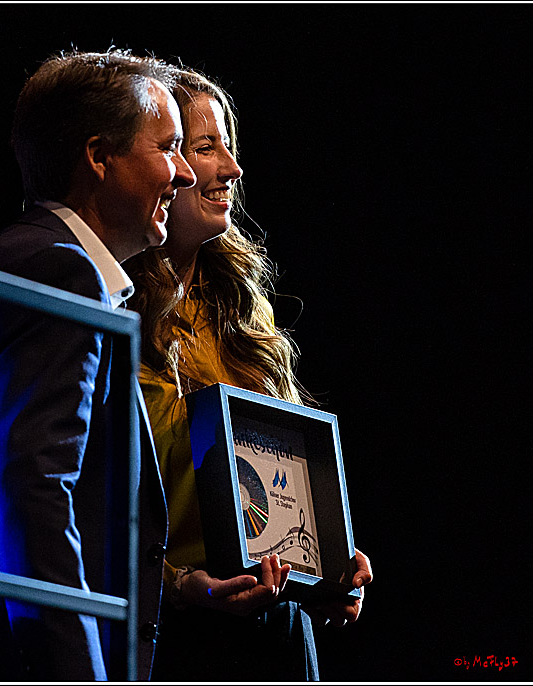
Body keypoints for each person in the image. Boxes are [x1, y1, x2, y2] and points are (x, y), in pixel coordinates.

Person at [0, 49, 195, 681]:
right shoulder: (64, 273)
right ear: (98, 157)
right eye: (168, 147)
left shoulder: (7, 262)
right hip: (6, 654)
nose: (184, 174)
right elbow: (32, 491)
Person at [123, 66, 374, 681]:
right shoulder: (111, 310)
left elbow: (280, 483)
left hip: (278, 637)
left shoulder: (239, 309)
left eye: (226, 147)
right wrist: (180, 587)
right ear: (167, 162)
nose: (231, 169)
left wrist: (326, 563)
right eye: (206, 148)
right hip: (167, 636)